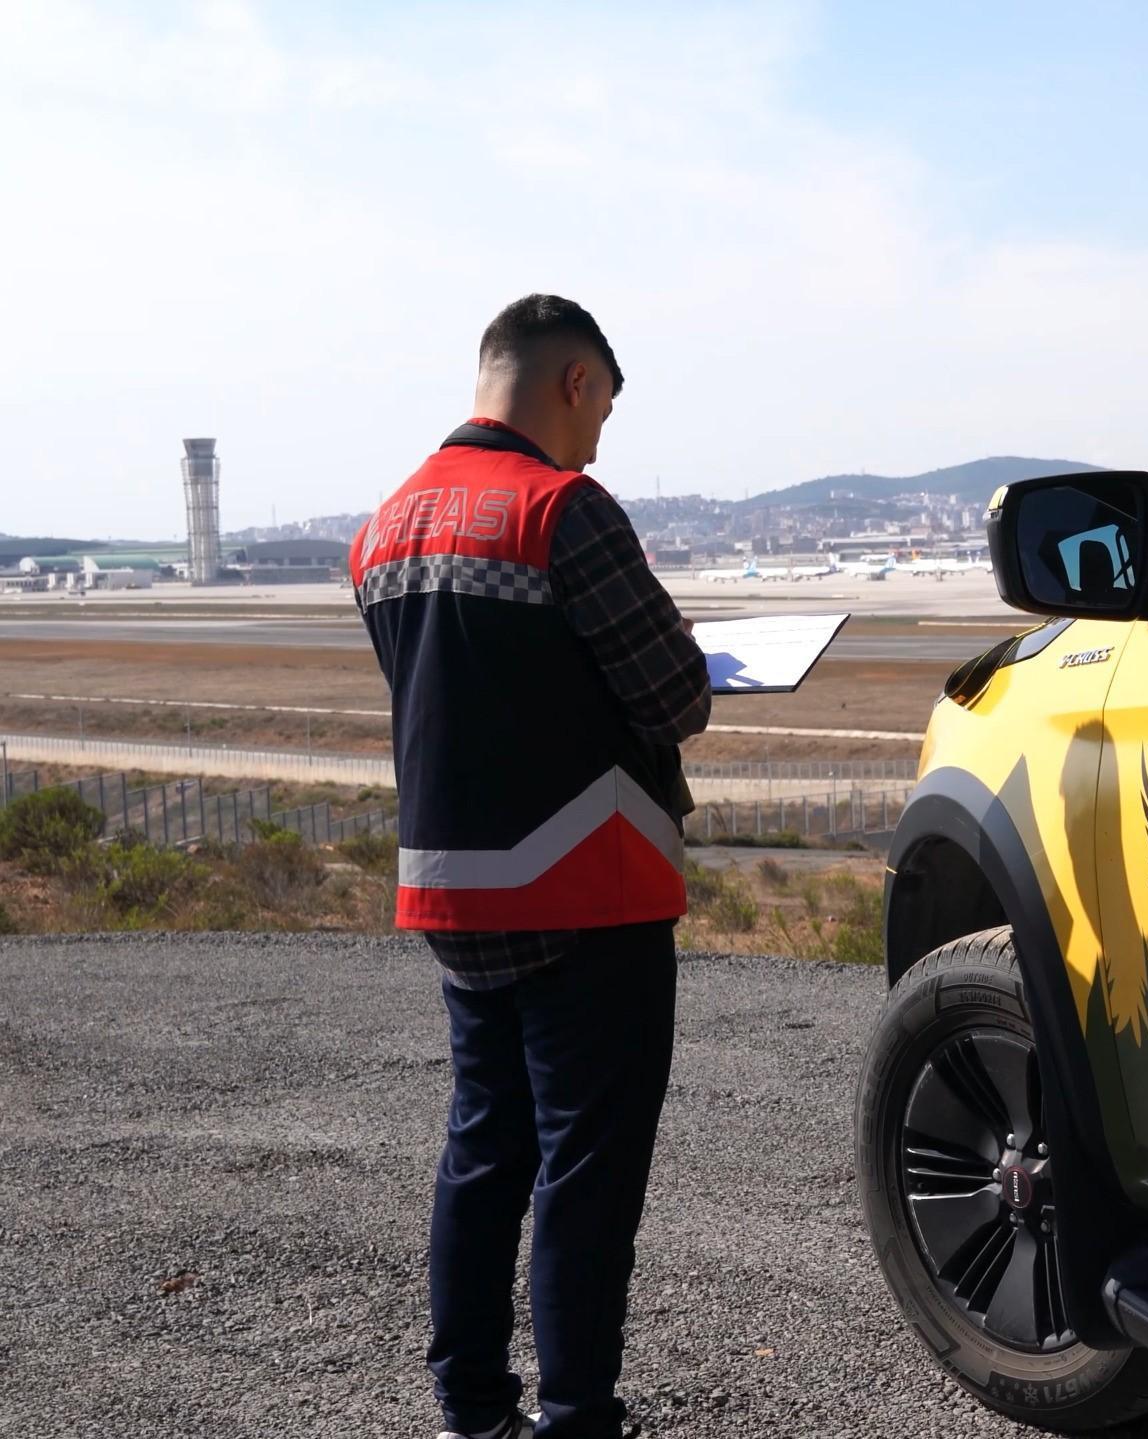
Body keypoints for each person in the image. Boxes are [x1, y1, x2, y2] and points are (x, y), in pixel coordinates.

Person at [348, 294, 712, 1439]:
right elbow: (674, 693)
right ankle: (577, 1412)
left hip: (455, 889)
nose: (601, 433)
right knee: (586, 1171)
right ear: (573, 383)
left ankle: (471, 1405)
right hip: (583, 885)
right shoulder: (564, 511)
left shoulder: (385, 526)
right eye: (602, 403)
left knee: (483, 1147)